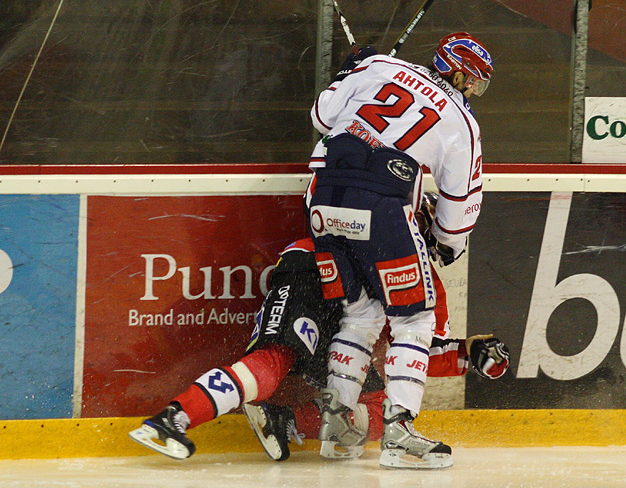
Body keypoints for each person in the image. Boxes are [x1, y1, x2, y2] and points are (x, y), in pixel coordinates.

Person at [128, 194, 509, 463]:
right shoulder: (399, 243)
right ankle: (173, 418)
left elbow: (414, 351)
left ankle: (283, 419)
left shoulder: (421, 274)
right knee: (272, 362)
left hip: (341, 318)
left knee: (373, 412)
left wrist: (466, 355)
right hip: (314, 273)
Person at [305, 32, 494, 469]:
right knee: (414, 317)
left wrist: (351, 69)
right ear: (458, 73)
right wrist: (448, 244)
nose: (473, 92)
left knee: (361, 314)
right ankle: (399, 431)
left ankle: (336, 425)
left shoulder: (381, 67)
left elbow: (321, 114)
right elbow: (459, 203)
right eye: (473, 81)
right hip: (381, 204)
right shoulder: (462, 123)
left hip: (322, 196)